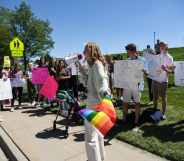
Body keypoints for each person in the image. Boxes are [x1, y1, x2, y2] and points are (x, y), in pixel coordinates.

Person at [79, 42, 110, 161]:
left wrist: (105, 98)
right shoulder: (94, 65)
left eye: (85, 50)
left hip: (94, 105)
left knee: (90, 137)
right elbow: (89, 83)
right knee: (98, 135)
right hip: (96, 104)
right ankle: (100, 158)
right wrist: (81, 71)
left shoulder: (97, 65)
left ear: (91, 51)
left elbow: (102, 83)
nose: (83, 53)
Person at [122, 43, 148, 128]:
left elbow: (147, 73)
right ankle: (124, 119)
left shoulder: (142, 60)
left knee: (137, 103)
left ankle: (136, 121)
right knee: (125, 102)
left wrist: (143, 70)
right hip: (128, 85)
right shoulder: (127, 60)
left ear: (133, 51)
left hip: (137, 85)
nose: (127, 53)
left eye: (128, 51)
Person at [152, 42, 174, 120]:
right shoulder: (156, 56)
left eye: (162, 46)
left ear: (166, 47)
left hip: (163, 81)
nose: (160, 47)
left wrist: (166, 69)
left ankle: (163, 113)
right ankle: (154, 110)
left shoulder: (169, 58)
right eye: (160, 46)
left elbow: (171, 71)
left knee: (163, 98)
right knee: (155, 97)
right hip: (155, 80)